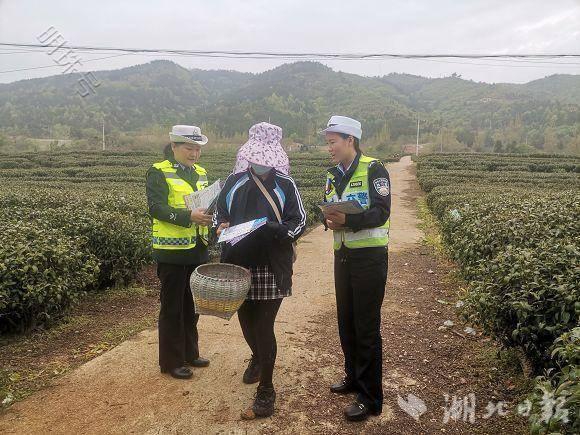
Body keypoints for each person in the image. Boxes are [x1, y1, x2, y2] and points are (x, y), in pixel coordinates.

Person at [213, 122, 306, 419]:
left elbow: (299, 221)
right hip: (238, 263)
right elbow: (220, 216)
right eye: (255, 158)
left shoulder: (285, 184)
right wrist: (221, 227)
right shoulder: (235, 181)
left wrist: (275, 230)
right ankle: (257, 357)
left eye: (265, 160)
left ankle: (266, 389)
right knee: (246, 320)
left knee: (264, 326)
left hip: (270, 264)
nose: (259, 164)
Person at [321, 116, 391, 421]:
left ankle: (370, 396)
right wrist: (327, 220)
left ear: (350, 140)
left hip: (370, 259)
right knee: (346, 322)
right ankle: (353, 376)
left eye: (333, 142)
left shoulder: (374, 168)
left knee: (366, 327)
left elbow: (381, 212)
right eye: (328, 143)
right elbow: (329, 209)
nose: (329, 149)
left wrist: (348, 220)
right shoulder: (332, 175)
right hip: (344, 257)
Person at [146, 125, 213, 380]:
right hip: (171, 251)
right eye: (189, 148)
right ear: (174, 147)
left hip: (197, 248)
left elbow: (205, 205)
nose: (194, 153)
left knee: (191, 305)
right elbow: (156, 208)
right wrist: (189, 216)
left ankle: (190, 352)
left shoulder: (201, 172)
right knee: (172, 307)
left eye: (197, 149)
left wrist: (211, 218)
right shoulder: (158, 172)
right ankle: (171, 361)